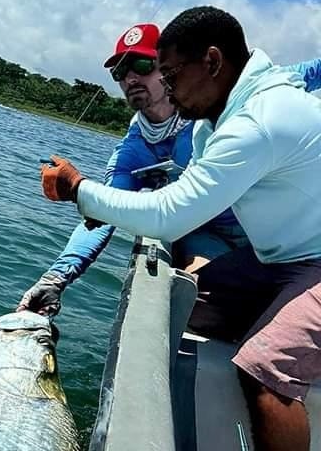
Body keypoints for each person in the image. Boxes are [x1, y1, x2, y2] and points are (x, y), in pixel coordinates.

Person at [39, 5, 321, 451]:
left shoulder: (254, 118)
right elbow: (112, 214)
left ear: (211, 63)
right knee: (177, 309)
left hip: (306, 257)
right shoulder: (203, 117)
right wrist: (58, 276)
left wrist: (76, 187)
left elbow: (167, 216)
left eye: (160, 72)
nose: (145, 84)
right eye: (125, 74)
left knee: (263, 371)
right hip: (278, 253)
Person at [17, 23, 321, 316]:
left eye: (142, 65)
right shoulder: (133, 149)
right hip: (206, 233)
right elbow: (101, 216)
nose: (131, 78)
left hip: (276, 233)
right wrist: (56, 278)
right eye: (121, 71)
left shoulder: (236, 97)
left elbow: (310, 71)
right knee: (190, 290)